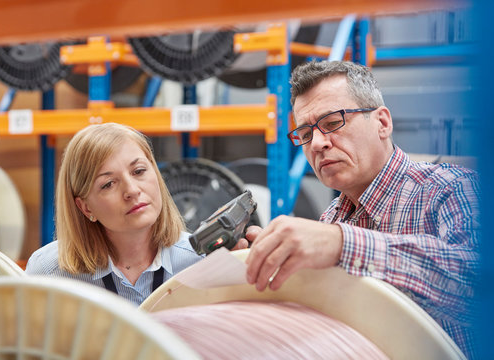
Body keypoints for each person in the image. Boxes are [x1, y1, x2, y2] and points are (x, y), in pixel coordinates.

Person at [244, 61, 480, 359]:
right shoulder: (333, 217)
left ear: (382, 123)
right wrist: (272, 267)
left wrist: (343, 244)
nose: (317, 143)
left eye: (332, 123)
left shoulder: (451, 188)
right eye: (305, 133)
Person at [26, 123, 236, 305]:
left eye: (139, 171)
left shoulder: (201, 261)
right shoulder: (49, 273)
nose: (132, 190)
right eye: (108, 184)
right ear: (85, 207)